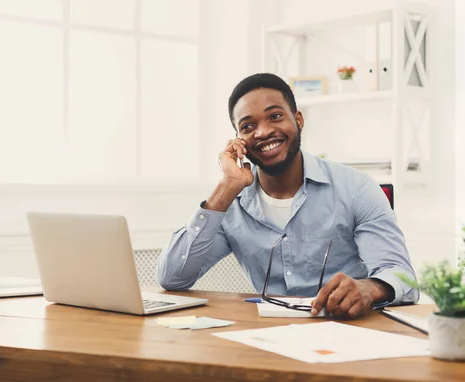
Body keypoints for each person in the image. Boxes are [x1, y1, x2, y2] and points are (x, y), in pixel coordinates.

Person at [156, 73, 419, 319]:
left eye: (275, 116)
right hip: (267, 335)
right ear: (238, 140)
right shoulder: (231, 204)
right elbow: (172, 278)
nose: (263, 132)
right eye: (248, 126)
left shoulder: (356, 189)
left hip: (346, 329)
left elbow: (401, 276)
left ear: (298, 120)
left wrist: (369, 289)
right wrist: (226, 188)